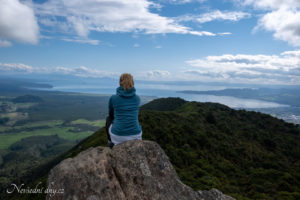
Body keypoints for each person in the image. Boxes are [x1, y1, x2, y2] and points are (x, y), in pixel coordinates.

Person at [105, 73, 142, 147]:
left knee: (108, 119)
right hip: (136, 135)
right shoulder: (137, 98)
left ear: (120, 82)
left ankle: (110, 141)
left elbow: (111, 114)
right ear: (133, 83)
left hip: (118, 136)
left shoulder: (114, 98)